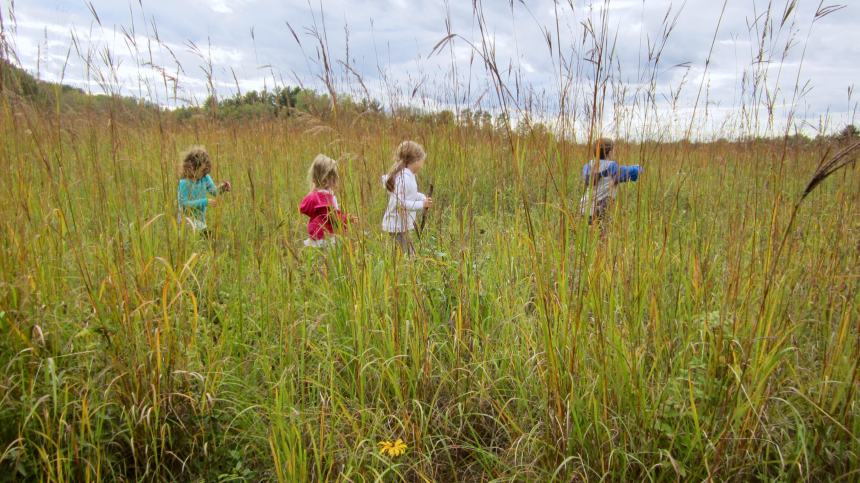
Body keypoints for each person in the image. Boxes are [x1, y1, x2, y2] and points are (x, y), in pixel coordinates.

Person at [381, 140, 433, 255]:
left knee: (406, 255)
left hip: (401, 225)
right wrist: (422, 204)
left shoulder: (409, 175)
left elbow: (411, 194)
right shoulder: (403, 177)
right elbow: (401, 203)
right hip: (396, 226)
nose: (422, 164)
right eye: (421, 161)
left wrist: (422, 198)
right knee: (408, 256)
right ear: (414, 160)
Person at [580, 138, 641, 226]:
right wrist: (639, 167)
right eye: (614, 150)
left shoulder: (588, 166)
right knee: (602, 235)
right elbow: (630, 172)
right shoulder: (612, 166)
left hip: (584, 208)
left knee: (590, 235)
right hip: (600, 210)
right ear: (609, 152)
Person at [299, 154, 350, 247]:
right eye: (334, 176)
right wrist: (347, 219)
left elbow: (304, 209)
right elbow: (332, 217)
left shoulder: (312, 196)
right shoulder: (325, 198)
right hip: (328, 238)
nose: (336, 178)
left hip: (315, 237)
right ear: (325, 179)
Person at [177, 145, 231, 233]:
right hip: (186, 222)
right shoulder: (183, 183)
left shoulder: (204, 177)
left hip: (200, 221)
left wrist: (223, 188)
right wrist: (205, 202)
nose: (204, 175)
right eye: (203, 171)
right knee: (206, 237)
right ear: (192, 168)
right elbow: (184, 204)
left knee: (207, 239)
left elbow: (214, 191)